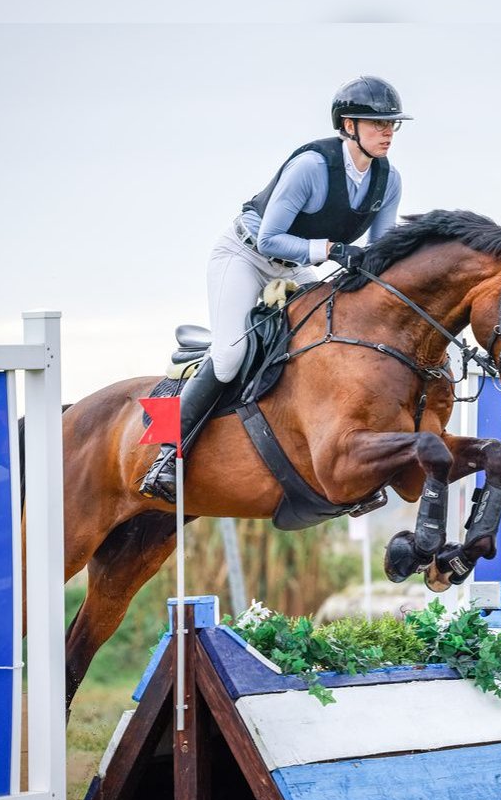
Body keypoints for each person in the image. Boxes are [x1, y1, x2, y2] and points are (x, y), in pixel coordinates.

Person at [139, 75, 410, 501]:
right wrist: (334, 250)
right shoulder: (312, 167)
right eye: (377, 123)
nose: (388, 132)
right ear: (348, 126)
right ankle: (166, 455)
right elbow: (269, 239)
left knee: (326, 344)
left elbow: (379, 249)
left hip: (298, 266)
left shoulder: (387, 180)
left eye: (393, 124)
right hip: (245, 256)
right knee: (230, 356)